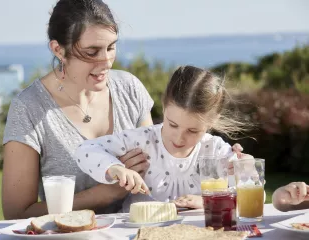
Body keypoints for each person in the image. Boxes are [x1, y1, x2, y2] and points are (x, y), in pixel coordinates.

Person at [1, 0, 155, 219]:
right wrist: (104, 194)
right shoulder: (29, 108)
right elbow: (16, 213)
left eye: (111, 47)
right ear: (58, 50)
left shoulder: (130, 89)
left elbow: (156, 170)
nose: (106, 62)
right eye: (92, 52)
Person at [75, 65, 251, 212]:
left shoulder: (215, 151)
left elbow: (250, 195)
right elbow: (85, 150)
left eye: (192, 130)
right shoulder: (142, 141)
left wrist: (246, 171)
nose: (179, 138)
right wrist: (115, 168)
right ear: (164, 107)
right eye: (173, 124)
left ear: (213, 121)